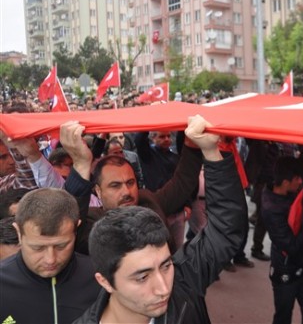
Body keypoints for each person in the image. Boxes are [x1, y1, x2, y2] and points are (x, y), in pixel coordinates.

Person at [74, 115, 248, 324]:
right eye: (142, 277)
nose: (164, 289)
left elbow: (224, 230)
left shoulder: (182, 282)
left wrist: (205, 149)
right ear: (105, 281)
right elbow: (67, 227)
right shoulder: (88, 223)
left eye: (166, 265)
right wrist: (81, 166)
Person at [60, 121, 199, 255]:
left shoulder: (147, 200)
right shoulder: (90, 220)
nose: (126, 192)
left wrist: (192, 145)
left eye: (130, 182)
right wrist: (81, 164)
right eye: (115, 186)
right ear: (98, 191)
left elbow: (182, 182)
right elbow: (67, 226)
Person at [0, 188, 100, 323]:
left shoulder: (100, 278)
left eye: (61, 246)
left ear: (76, 228)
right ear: (18, 232)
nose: (50, 259)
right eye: (38, 248)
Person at [261, 156, 303, 324]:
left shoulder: (285, 191)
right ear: (286, 182)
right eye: (297, 179)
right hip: (285, 271)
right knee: (283, 316)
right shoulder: (271, 208)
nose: (301, 182)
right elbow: (292, 246)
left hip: (302, 266)